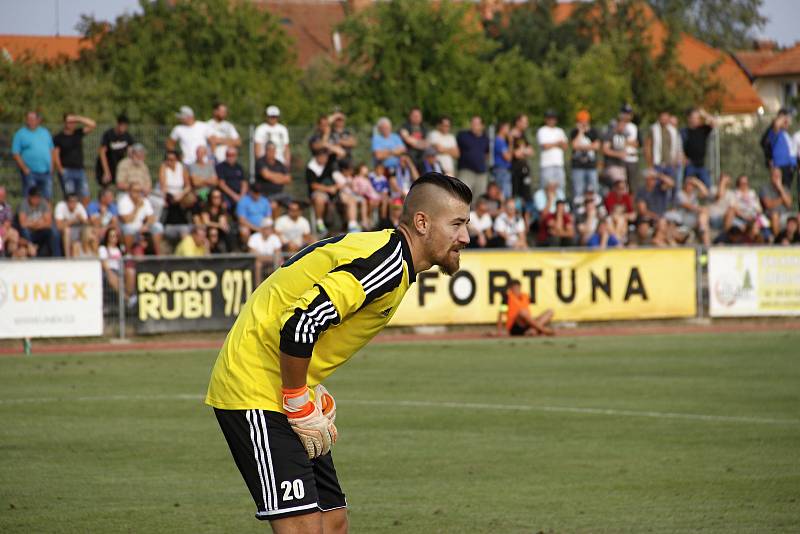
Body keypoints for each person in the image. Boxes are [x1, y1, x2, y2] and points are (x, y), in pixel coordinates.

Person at [205, 172, 471, 531]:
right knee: (305, 528)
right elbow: (299, 324)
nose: (465, 237)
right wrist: (298, 400)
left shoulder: (390, 257)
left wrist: (308, 384)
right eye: (457, 224)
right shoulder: (387, 264)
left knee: (333, 522)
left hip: (280, 380)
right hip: (254, 387)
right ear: (422, 222)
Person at [53, 113, 96, 204]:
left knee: (85, 195)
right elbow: (55, 154)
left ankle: (82, 214)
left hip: (79, 170)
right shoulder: (58, 138)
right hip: (67, 170)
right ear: (64, 123)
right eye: (69, 122)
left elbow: (93, 124)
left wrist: (78, 118)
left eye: (73, 122)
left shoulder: (78, 133)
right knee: (70, 197)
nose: (71, 124)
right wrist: (60, 169)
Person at [12, 111, 55, 200]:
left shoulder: (45, 132)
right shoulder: (20, 134)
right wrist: (24, 169)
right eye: (28, 119)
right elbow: (15, 153)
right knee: (30, 198)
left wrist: (51, 166)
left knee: (47, 197)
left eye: (33, 119)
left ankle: (47, 214)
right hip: (30, 173)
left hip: (46, 172)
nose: (30, 121)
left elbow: (51, 150)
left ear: (38, 120)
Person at [118, 184, 163, 255]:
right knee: (128, 229)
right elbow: (127, 221)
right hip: (128, 226)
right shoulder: (123, 201)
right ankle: (128, 254)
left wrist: (146, 226)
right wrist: (137, 207)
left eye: (140, 191)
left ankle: (158, 254)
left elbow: (152, 217)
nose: (138, 193)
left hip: (142, 226)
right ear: (129, 191)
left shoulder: (145, 201)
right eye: (135, 191)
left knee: (158, 227)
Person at [765, 109, 798, 209]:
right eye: (785, 120)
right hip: (781, 167)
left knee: (787, 190)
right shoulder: (774, 133)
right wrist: (783, 116)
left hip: (789, 168)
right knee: (781, 190)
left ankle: (786, 209)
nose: (787, 122)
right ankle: (780, 211)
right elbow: (776, 125)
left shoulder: (785, 134)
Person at [17, 186, 58, 257]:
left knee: (52, 232)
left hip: (40, 230)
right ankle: (31, 249)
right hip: (29, 233)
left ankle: (56, 255)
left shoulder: (43, 204)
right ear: (30, 197)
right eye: (34, 197)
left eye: (38, 197)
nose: (37, 199)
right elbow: (23, 223)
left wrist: (35, 224)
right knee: (25, 230)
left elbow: (48, 223)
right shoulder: (24, 204)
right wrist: (36, 223)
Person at [681, 107, 716, 188]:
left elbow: (714, 123)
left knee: (708, 187)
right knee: (688, 187)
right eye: (694, 118)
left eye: (698, 118)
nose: (697, 120)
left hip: (701, 165)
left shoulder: (703, 129)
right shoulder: (684, 132)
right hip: (690, 165)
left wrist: (704, 114)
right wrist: (683, 157)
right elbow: (679, 147)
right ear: (689, 119)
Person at [96, 114, 135, 186]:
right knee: (106, 189)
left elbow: (131, 152)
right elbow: (102, 153)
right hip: (106, 167)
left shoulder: (127, 136)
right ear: (118, 124)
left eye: (126, 126)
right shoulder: (108, 135)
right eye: (122, 125)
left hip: (118, 168)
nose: (124, 128)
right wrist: (106, 171)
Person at [569, 110, 600, 198]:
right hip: (578, 166)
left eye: (584, 120)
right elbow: (574, 145)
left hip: (591, 166)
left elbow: (597, 146)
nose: (583, 123)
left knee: (593, 190)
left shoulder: (593, 131)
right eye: (580, 121)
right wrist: (581, 132)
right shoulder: (575, 132)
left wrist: (581, 147)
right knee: (578, 191)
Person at [456, 115, 489, 197]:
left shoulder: (485, 138)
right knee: (463, 196)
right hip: (466, 171)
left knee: (480, 198)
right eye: (473, 123)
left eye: (477, 123)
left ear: (482, 126)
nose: (474, 125)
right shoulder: (462, 136)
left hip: (481, 173)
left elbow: (486, 154)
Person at [674, 176, 712, 246]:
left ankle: (708, 247)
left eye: (692, 185)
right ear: (684, 185)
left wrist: (697, 182)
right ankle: (702, 228)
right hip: (684, 219)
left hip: (695, 220)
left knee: (704, 223)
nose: (690, 187)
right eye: (689, 184)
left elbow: (706, 193)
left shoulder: (694, 193)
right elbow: (688, 206)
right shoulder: (680, 194)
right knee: (704, 213)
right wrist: (701, 209)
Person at [536, 110, 568, 191]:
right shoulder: (542, 130)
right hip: (547, 165)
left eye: (553, 118)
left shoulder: (560, 131)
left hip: (559, 164)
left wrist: (554, 144)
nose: (551, 120)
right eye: (549, 118)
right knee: (546, 188)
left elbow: (565, 146)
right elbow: (545, 146)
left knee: (560, 189)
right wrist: (558, 143)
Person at [645, 110, 682, 181]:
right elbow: (647, 146)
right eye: (662, 118)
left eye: (666, 118)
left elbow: (676, 148)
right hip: (657, 164)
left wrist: (674, 162)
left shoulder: (673, 131)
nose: (664, 120)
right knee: (656, 186)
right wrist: (649, 164)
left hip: (669, 164)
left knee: (670, 185)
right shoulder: (653, 129)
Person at [255, 142, 292, 212]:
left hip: (279, 193)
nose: (271, 152)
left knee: (293, 206)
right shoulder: (260, 162)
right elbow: (266, 175)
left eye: (273, 150)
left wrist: (272, 176)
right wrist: (280, 177)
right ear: (266, 151)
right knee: (274, 205)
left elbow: (288, 179)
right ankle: (274, 223)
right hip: (265, 195)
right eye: (269, 150)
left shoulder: (280, 164)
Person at [759, 165, 793, 237]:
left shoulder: (785, 189)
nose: (777, 177)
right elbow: (768, 205)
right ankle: (778, 240)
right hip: (770, 215)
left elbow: (789, 204)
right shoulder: (765, 189)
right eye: (775, 175)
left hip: (785, 214)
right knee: (775, 215)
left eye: (778, 175)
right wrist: (782, 199)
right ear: (771, 176)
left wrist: (780, 189)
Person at [54, 193, 89, 257]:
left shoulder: (79, 206)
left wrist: (82, 219)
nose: (73, 204)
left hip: (78, 230)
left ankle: (87, 254)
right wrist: (73, 220)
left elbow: (87, 223)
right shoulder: (61, 206)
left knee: (87, 230)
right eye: (71, 201)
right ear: (66, 202)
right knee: (67, 231)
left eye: (75, 201)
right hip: (64, 232)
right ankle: (67, 257)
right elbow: (59, 226)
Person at [216, 147, 249, 212]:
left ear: (236, 156)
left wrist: (242, 196)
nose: (230, 157)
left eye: (233, 155)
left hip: (240, 194)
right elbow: (221, 184)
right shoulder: (220, 167)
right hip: (227, 194)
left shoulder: (239, 167)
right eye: (228, 155)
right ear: (226, 155)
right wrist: (235, 196)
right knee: (224, 205)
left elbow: (244, 183)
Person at [492, 121, 513, 200]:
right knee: (503, 193)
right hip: (501, 170)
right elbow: (508, 157)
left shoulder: (502, 141)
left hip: (503, 170)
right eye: (508, 128)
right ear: (502, 129)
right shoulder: (499, 141)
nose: (509, 131)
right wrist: (511, 142)